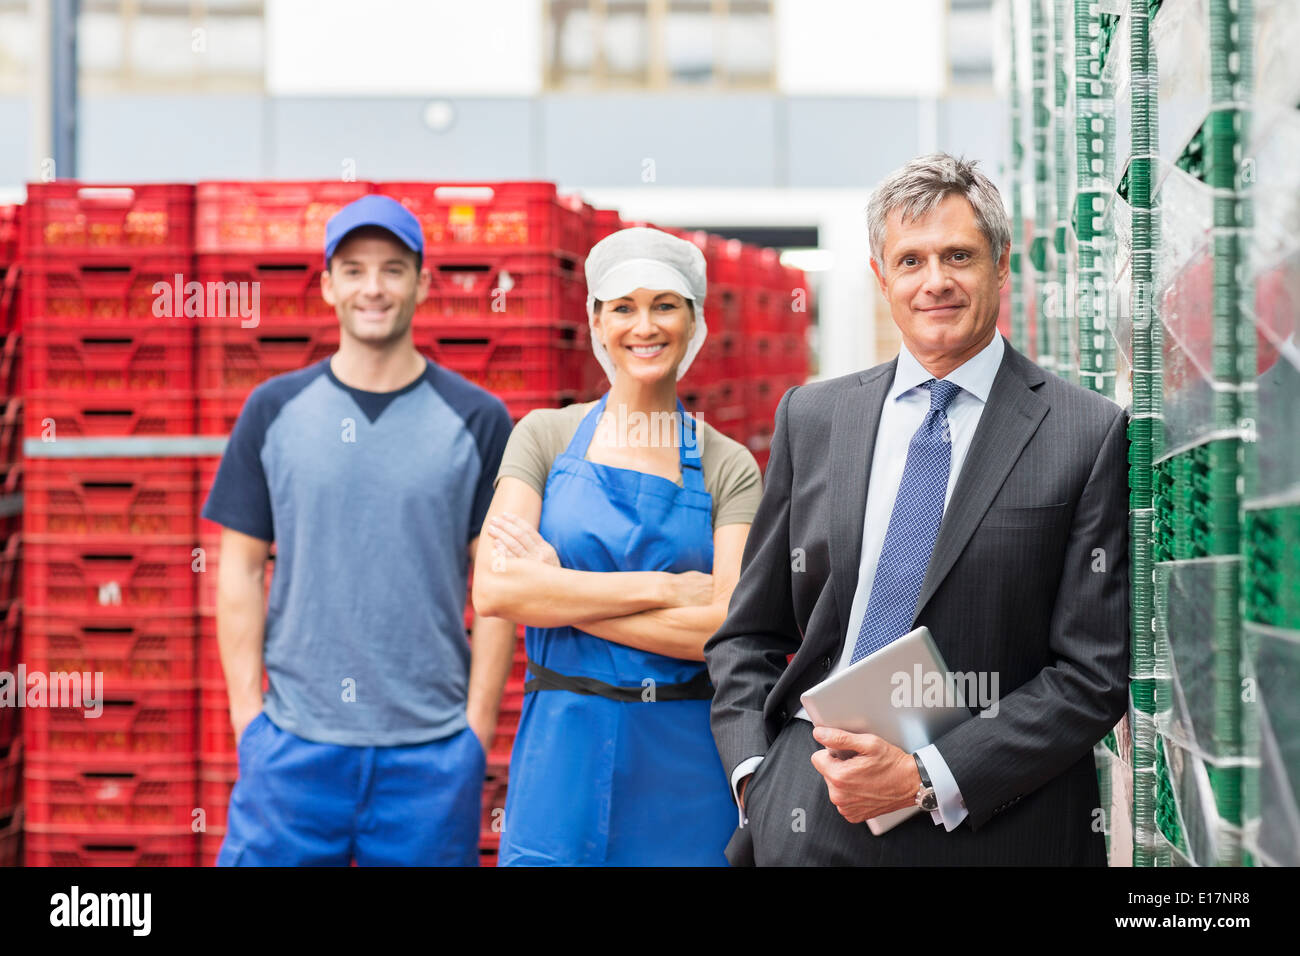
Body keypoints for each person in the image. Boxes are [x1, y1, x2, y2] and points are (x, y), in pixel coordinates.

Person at [706, 153, 1130, 866]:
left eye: (958, 256)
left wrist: (925, 778)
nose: (935, 281)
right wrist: (761, 779)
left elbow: (1093, 673)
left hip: (994, 829)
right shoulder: (814, 418)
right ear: (882, 278)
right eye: (911, 260)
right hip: (814, 819)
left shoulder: (1084, 433)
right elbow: (747, 634)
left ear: (1000, 265)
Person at [203, 195, 516, 866]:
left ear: (423, 284)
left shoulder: (479, 418)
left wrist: (475, 730)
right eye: (353, 269)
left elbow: (497, 585)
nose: (373, 287)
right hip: (291, 747)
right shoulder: (273, 410)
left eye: (393, 269)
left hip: (430, 755)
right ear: (327, 285)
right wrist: (247, 721)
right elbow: (239, 569)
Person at [472, 227, 762, 866]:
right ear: (597, 324)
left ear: (695, 323)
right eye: (623, 307)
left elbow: (723, 630)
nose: (644, 325)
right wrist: (663, 588)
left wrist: (555, 591)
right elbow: (496, 589)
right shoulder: (544, 438)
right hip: (561, 752)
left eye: (665, 305)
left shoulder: (728, 465)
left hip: (684, 762)